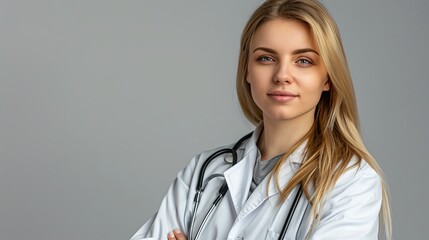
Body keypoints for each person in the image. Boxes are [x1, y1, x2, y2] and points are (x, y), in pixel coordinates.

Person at [131, 0, 392, 239]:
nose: (282, 75)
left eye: (303, 60)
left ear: (327, 78)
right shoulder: (204, 171)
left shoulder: (351, 181)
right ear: (247, 70)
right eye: (266, 58)